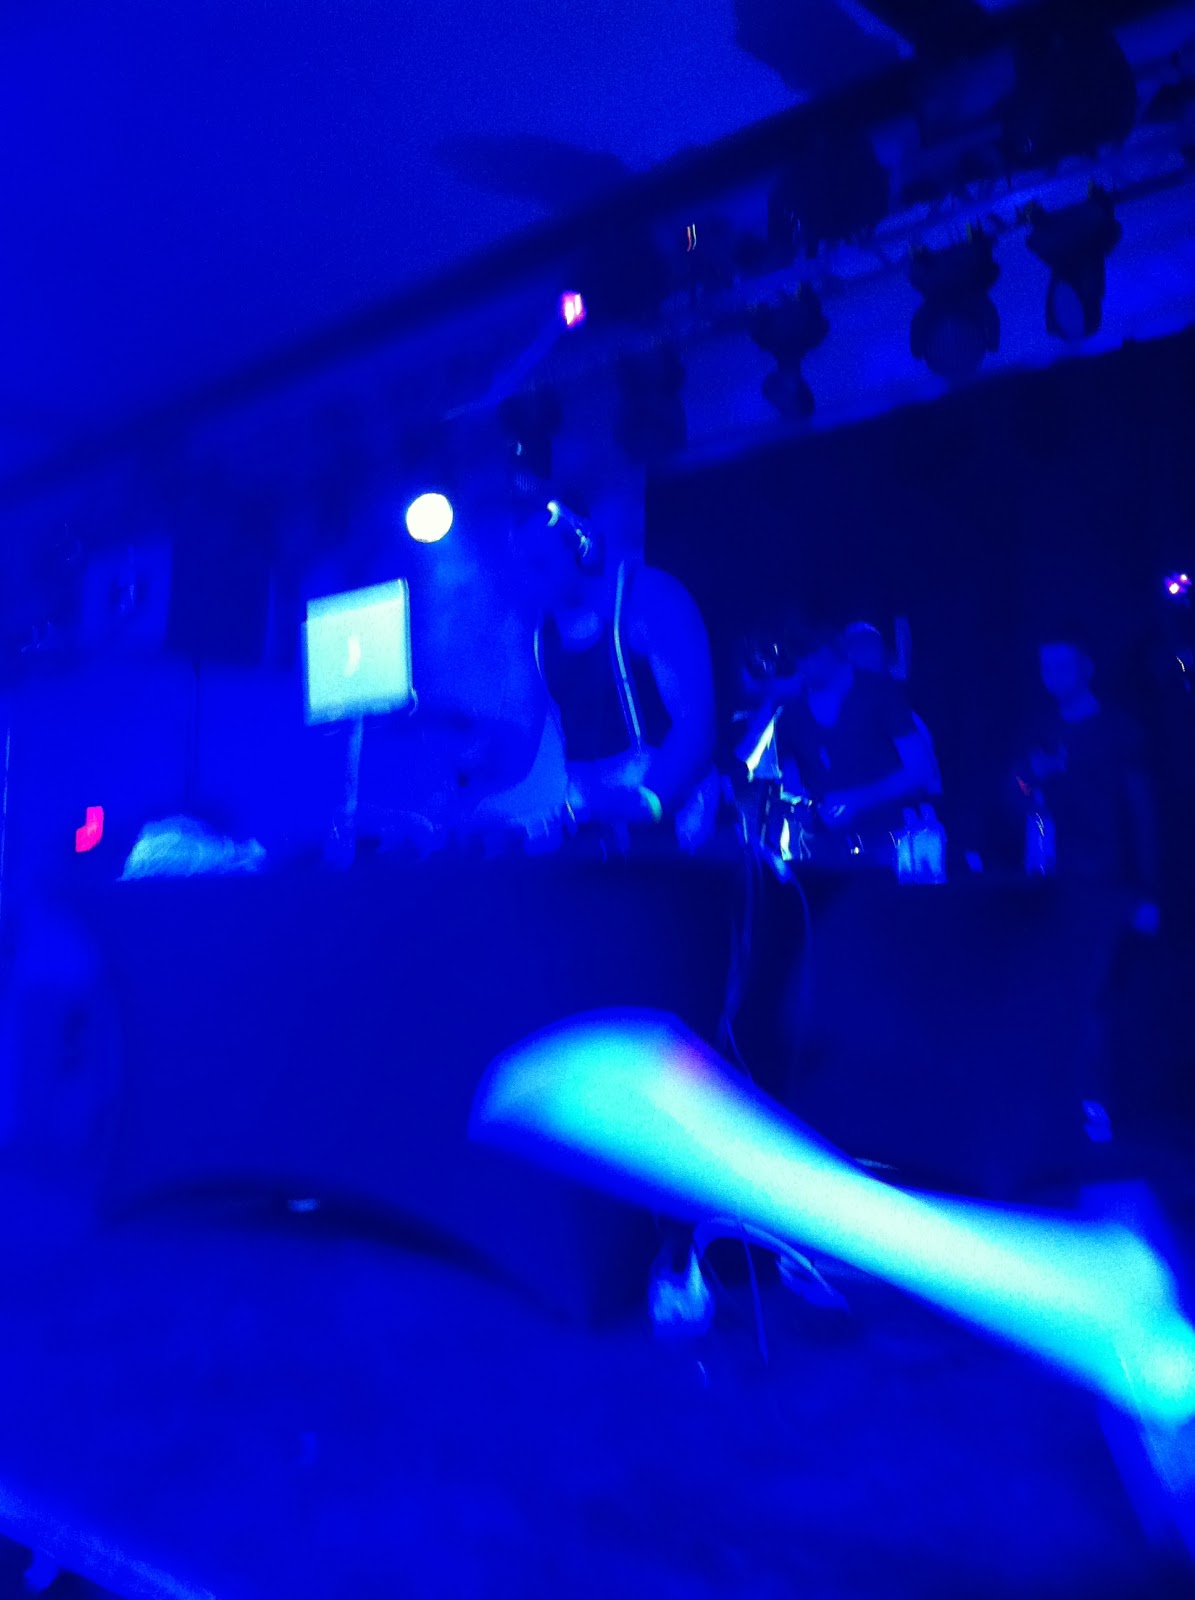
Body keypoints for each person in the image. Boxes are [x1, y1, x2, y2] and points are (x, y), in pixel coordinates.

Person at [1017, 637, 1159, 1141]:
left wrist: (1146, 891)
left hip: (1105, 880)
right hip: (1050, 879)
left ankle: (1098, 1104)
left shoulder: (1120, 731)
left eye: (1062, 664)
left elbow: (1141, 812)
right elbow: (1018, 793)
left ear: (1087, 666)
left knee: (1098, 993)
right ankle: (1066, 1099)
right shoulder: (1041, 729)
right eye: (1045, 665)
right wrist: (1032, 778)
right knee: (1058, 991)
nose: (1052, 673)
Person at [514, 498, 718, 851]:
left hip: (675, 823)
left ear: (582, 546)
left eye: (541, 562)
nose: (531, 579)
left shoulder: (651, 600)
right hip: (597, 825)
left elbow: (696, 726)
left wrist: (647, 802)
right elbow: (528, 746)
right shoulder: (536, 637)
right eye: (524, 567)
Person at [775, 626, 937, 869]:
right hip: (826, 850)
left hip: (891, 842)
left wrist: (856, 800)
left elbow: (921, 770)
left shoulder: (880, 693)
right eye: (800, 655)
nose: (807, 663)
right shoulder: (790, 713)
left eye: (812, 652)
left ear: (833, 648)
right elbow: (791, 784)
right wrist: (808, 809)